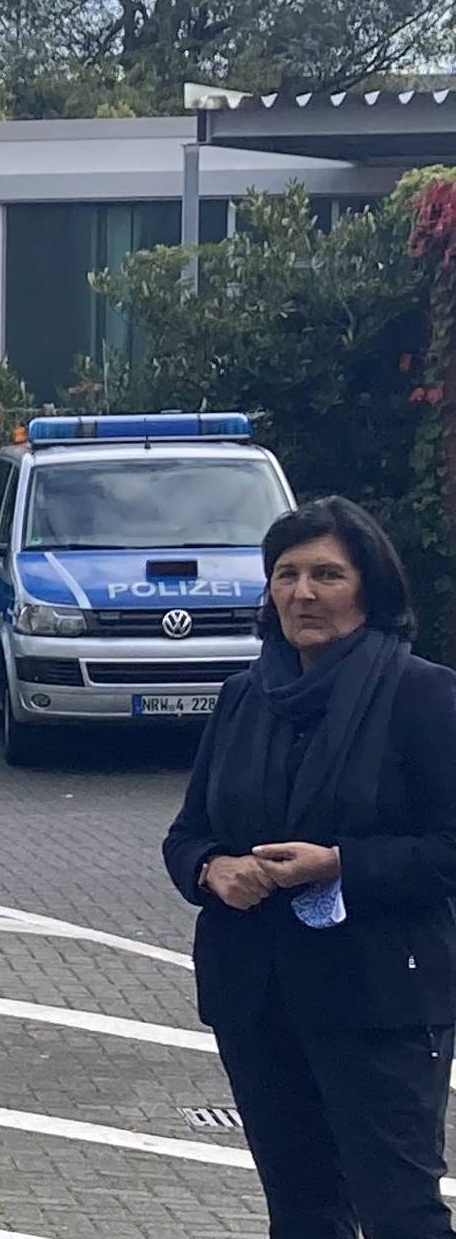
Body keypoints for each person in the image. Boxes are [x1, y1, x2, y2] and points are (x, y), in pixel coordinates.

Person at [162, 495, 456, 1239]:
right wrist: (210, 870)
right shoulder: (242, 698)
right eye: (285, 574)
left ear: (371, 588)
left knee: (400, 1212)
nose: (302, 592)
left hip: (378, 999)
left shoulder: (424, 695)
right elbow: (187, 834)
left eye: (327, 574)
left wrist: (339, 864)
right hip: (258, 1000)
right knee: (301, 1212)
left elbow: (447, 848)